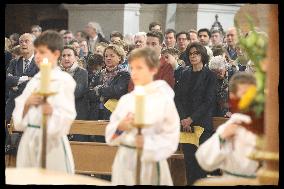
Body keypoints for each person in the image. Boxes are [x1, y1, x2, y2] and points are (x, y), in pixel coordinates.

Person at [105, 47, 180, 185]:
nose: (134, 73)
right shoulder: (126, 100)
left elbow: (171, 136)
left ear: (153, 70)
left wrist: (148, 144)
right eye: (132, 68)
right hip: (125, 160)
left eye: (139, 68)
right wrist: (120, 127)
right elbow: (111, 136)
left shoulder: (163, 100)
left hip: (150, 163)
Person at [12, 30, 76, 173]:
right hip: (29, 138)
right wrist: (27, 104)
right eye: (36, 52)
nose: (38, 56)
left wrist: (52, 112)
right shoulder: (35, 81)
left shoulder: (64, 81)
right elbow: (18, 121)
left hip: (51, 142)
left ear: (56, 54)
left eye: (42, 52)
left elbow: (68, 115)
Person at [195, 73, 260, 178]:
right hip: (231, 180)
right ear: (233, 96)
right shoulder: (229, 127)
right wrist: (222, 137)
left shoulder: (267, 123)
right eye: (244, 93)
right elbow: (204, 160)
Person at [175, 42, 217, 185]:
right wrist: (183, 119)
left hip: (202, 124)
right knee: (189, 163)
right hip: (186, 125)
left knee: (200, 164)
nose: (193, 56)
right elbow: (178, 98)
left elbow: (209, 101)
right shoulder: (184, 73)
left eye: (196, 53)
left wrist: (191, 119)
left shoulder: (210, 75)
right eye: (191, 54)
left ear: (202, 55)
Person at [87, 44, 130, 120]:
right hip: (96, 113)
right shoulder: (98, 74)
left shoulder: (124, 74)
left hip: (114, 113)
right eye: (106, 56)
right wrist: (107, 91)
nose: (108, 58)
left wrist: (99, 89)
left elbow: (116, 91)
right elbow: (89, 93)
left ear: (119, 57)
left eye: (112, 56)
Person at [6, 33, 39, 123]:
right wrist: (27, 79)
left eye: (26, 41)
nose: (23, 44)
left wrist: (16, 83)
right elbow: (7, 80)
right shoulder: (14, 62)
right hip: (13, 107)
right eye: (21, 42)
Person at [60, 45, 89, 120]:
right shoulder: (56, 72)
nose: (66, 58)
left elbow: (76, 92)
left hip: (77, 114)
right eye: (63, 56)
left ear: (76, 58)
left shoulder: (82, 72)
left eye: (69, 55)